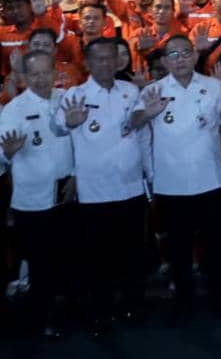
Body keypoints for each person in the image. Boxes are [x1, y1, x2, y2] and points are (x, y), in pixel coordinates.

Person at [129, 34, 221, 320]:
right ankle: (184, 302)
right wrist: (146, 114)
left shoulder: (214, 87)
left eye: (186, 53)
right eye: (173, 55)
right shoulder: (153, 90)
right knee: (179, 248)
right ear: (164, 61)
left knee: (214, 245)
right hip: (171, 183)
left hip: (211, 178)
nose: (181, 59)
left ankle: (218, 297)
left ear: (195, 56)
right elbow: (133, 123)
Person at [54, 37, 150, 335]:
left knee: (132, 254)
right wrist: (70, 122)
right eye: (99, 59)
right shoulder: (75, 94)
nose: (106, 63)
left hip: (132, 187)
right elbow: (59, 127)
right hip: (95, 191)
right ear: (87, 63)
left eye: (111, 58)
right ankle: (99, 312)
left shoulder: (132, 91)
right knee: (97, 258)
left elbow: (143, 134)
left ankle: (132, 305)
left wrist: (149, 175)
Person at [0, 51, 74, 339]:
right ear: (23, 77)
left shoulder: (66, 98)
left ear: (56, 72)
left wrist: (78, 177)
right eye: (34, 74)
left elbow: (80, 143)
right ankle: (37, 321)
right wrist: (7, 153)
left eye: (46, 72)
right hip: (33, 202)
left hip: (66, 196)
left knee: (64, 260)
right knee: (39, 266)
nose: (42, 79)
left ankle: (60, 314)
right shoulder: (13, 110)